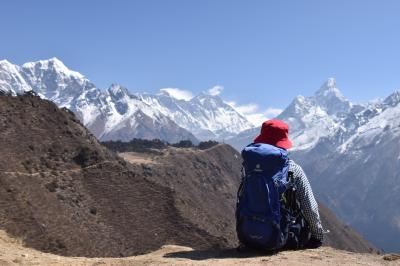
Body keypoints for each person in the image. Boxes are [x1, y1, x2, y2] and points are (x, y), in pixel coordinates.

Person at [252, 119, 324, 248]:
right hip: (283, 238)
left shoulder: (248, 167)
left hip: (249, 235)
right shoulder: (292, 168)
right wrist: (317, 236)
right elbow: (309, 206)